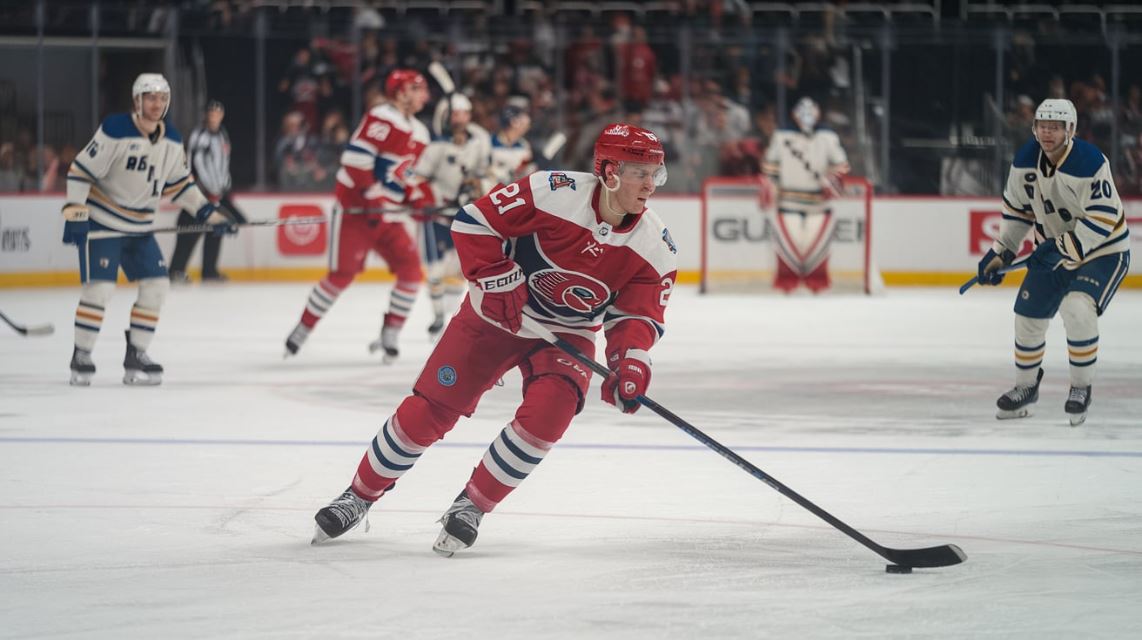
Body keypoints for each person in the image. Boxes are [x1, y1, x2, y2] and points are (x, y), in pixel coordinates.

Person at [310, 123, 678, 556]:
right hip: (495, 317)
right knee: (429, 410)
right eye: (640, 173)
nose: (651, 185)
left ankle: (472, 506)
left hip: (568, 332)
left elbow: (637, 317)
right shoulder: (551, 192)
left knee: (550, 415)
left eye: (655, 173)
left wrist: (630, 362)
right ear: (610, 172)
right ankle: (358, 495)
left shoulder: (656, 246)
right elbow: (474, 222)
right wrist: (495, 276)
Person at [62, 73, 226, 386]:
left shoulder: (172, 139)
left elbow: (181, 186)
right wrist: (75, 211)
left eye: (162, 98)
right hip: (104, 222)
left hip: (140, 228)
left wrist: (211, 215)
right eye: (150, 97)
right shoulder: (115, 129)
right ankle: (81, 354)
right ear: (137, 100)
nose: (157, 104)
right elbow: (81, 171)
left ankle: (136, 353)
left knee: (157, 286)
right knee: (100, 289)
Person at [978, 98, 1130, 426]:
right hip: (1055, 251)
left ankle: (1081, 388)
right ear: (1034, 128)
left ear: (1070, 130)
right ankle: (1026, 387)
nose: (1048, 132)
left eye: (1056, 127)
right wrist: (1002, 251)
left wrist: (1063, 247)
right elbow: (1017, 212)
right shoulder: (1025, 160)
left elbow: (1103, 217)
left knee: (1077, 308)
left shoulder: (1090, 161)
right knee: (1027, 314)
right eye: (1043, 126)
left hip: (1103, 252)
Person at [283, 69, 433, 363]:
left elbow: (404, 174)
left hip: (387, 216)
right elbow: (355, 160)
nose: (423, 95)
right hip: (359, 211)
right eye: (417, 89)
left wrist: (416, 198)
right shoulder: (382, 117)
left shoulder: (420, 132)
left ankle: (391, 333)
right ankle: (303, 329)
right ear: (401, 92)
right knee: (342, 275)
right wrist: (373, 199)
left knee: (411, 271)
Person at [415, 92, 493, 339]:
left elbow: (484, 174)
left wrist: (477, 187)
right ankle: (438, 316)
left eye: (464, 114)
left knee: (459, 270)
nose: (461, 119)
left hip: (464, 216)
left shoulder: (478, 142)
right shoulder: (436, 147)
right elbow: (418, 179)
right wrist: (430, 198)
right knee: (435, 270)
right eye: (456, 114)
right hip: (438, 217)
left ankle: (448, 317)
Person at [761, 96, 850, 293]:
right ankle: (786, 280)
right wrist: (770, 186)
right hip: (788, 201)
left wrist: (832, 179)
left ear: (818, 114)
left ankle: (817, 280)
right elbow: (770, 166)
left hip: (818, 203)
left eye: (811, 112)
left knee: (817, 244)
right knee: (787, 243)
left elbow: (841, 165)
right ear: (794, 115)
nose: (807, 116)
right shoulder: (781, 137)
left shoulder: (828, 137)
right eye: (802, 112)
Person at [169, 100, 247, 283]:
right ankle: (176, 271)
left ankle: (209, 270)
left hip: (217, 193)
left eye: (217, 113)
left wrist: (224, 186)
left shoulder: (222, 134)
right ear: (206, 115)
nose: (214, 116)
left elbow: (224, 162)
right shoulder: (200, 135)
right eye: (211, 113)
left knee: (219, 226)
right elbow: (197, 164)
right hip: (198, 193)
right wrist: (209, 189)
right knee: (189, 230)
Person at [488, 104, 534, 186]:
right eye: (524, 123)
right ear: (514, 122)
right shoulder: (489, 142)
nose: (527, 127)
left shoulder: (523, 145)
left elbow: (527, 170)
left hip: (514, 189)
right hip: (491, 188)